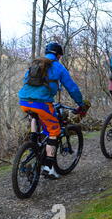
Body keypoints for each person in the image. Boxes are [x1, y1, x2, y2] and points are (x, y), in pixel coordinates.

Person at [19, 42, 88, 180]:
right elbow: (72, 88)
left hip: (24, 101)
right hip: (42, 103)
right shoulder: (58, 67)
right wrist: (80, 104)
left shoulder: (35, 64)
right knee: (54, 131)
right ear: (58, 55)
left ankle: (33, 142)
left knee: (35, 115)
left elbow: (26, 82)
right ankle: (48, 168)